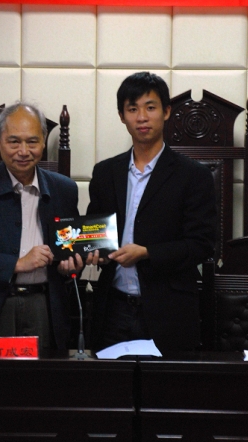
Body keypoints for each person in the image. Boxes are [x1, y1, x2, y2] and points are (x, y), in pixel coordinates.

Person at [87, 72, 217, 354]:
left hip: (168, 311)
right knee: (109, 381)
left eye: (150, 107)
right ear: (122, 116)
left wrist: (147, 253)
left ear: (166, 111)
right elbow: (95, 234)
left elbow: (202, 244)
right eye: (132, 109)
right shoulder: (105, 172)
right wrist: (91, 252)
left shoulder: (194, 176)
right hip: (112, 309)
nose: (142, 117)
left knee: (166, 383)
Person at [0, 100, 84, 350]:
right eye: (14, 142)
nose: (23, 151)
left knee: (43, 376)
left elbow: (69, 248)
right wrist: (17, 264)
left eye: (32, 141)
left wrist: (71, 267)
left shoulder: (64, 189)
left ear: (43, 141)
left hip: (45, 307)